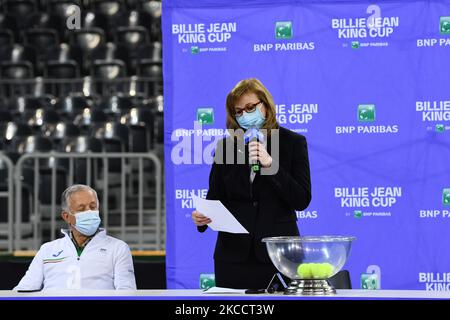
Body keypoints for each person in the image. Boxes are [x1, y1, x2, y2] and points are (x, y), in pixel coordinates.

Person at [192, 78, 311, 289]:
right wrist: (202, 217)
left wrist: (270, 165)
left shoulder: (292, 142)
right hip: (232, 257)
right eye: (239, 112)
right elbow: (215, 197)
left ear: (265, 105)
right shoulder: (226, 148)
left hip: (279, 257)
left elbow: (301, 199)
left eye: (250, 108)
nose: (245, 115)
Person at [14, 184, 137, 291]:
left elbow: (127, 292)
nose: (89, 212)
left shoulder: (118, 248)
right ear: (66, 216)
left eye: (93, 207)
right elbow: (24, 289)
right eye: (81, 208)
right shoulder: (47, 249)